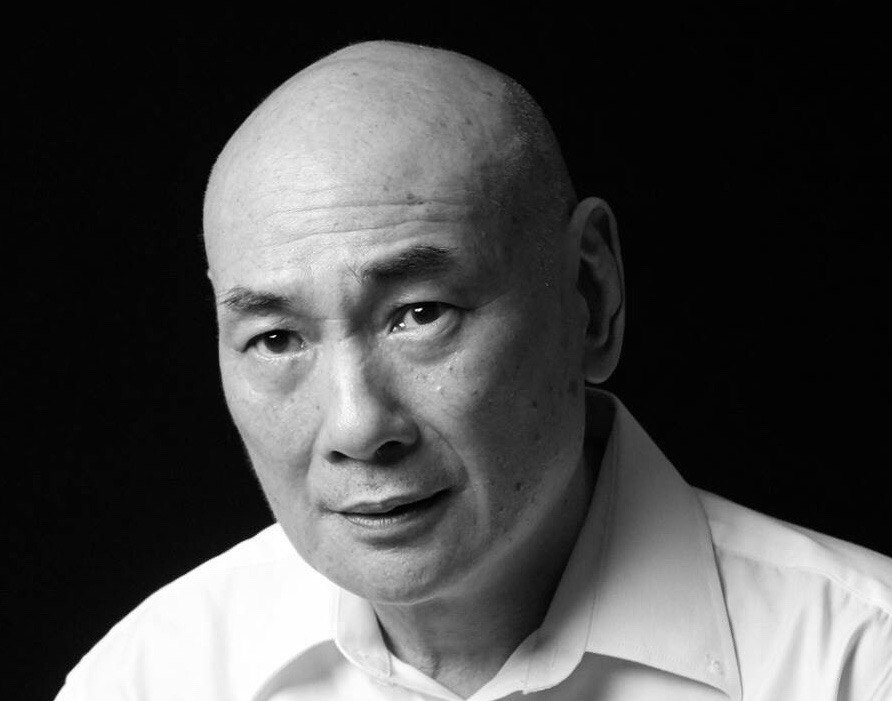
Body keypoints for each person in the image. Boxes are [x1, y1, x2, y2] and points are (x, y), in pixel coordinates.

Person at [56, 41, 891, 701]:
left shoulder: (860, 664)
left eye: (419, 314)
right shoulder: (146, 680)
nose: (356, 425)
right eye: (277, 339)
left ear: (590, 296)